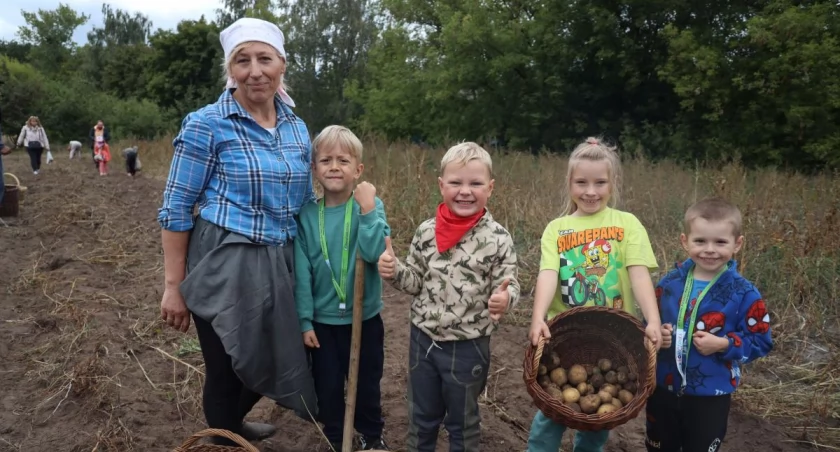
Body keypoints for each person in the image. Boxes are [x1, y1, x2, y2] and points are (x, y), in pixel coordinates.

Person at [156, 17, 317, 446]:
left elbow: (306, 204)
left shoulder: (297, 128)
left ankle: (230, 427)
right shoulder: (207, 124)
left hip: (281, 258)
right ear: (231, 69)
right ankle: (227, 439)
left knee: (283, 352)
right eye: (242, 60)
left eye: (264, 58)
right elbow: (175, 208)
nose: (254, 70)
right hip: (224, 259)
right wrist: (175, 287)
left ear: (282, 63)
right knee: (228, 367)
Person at [378, 142, 521, 452]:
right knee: (422, 416)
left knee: (462, 422)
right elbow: (414, 282)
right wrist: (393, 270)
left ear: (491, 188)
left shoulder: (497, 238)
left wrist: (505, 298)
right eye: (456, 183)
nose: (465, 191)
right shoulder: (426, 232)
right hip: (423, 342)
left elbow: (509, 283)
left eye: (475, 183)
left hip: (469, 347)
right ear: (442, 185)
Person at [525, 137, 663, 452]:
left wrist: (652, 320)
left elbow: (638, 273)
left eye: (600, 182)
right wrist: (537, 318)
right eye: (582, 182)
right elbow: (547, 273)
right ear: (569, 183)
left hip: (615, 339)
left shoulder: (627, 224)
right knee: (549, 416)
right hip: (565, 335)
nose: (591, 191)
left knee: (599, 422)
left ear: (612, 184)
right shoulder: (556, 229)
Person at [644, 198, 773, 452]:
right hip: (662, 389)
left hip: (711, 395)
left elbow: (761, 341)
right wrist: (657, 334)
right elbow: (648, 323)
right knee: (659, 447)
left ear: (737, 244)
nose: (710, 250)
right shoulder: (669, 283)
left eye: (721, 242)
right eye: (700, 241)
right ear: (685, 241)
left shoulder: (744, 293)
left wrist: (724, 344)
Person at [295, 125, 391, 451]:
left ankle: (370, 437)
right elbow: (302, 273)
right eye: (325, 160)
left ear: (358, 170)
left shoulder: (370, 208)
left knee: (366, 385)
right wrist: (305, 320)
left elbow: (373, 251)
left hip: (364, 319)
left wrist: (366, 209)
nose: (334, 167)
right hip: (323, 323)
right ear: (314, 168)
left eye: (343, 161)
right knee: (329, 387)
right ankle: (337, 439)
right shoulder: (307, 216)